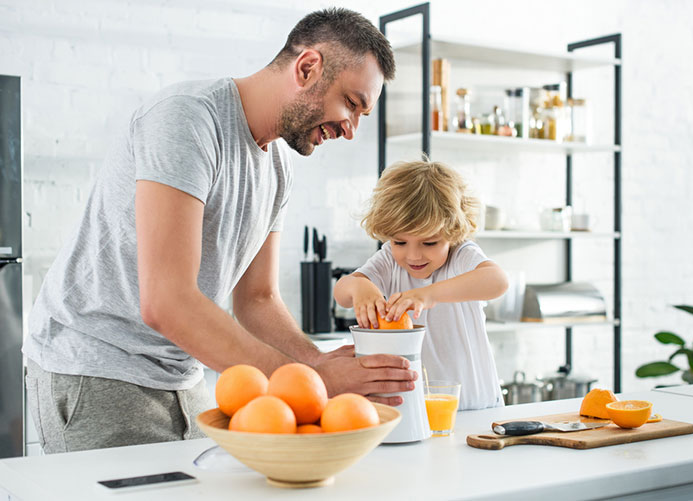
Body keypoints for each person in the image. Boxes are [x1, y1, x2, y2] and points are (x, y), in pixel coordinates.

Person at [22, 7, 418, 454]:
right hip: (98, 368)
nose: (351, 130)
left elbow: (257, 299)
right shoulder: (186, 120)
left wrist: (315, 360)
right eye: (352, 103)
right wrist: (313, 381)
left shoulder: (278, 166)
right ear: (308, 68)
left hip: (184, 375)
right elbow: (167, 302)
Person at [333, 159, 509, 410]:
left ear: (452, 233)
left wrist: (428, 295)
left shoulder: (461, 255)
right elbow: (342, 293)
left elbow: (497, 281)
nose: (413, 255)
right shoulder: (388, 260)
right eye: (400, 243)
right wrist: (360, 286)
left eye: (429, 243)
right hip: (419, 412)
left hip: (476, 406)